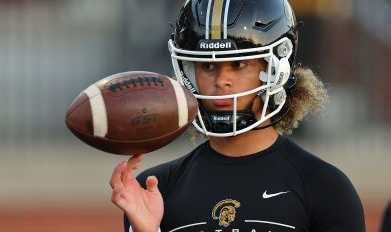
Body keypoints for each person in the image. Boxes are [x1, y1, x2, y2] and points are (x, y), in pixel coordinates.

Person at [109, 0, 366, 231]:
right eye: (207, 66)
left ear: (275, 70)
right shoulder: (156, 188)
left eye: (238, 64)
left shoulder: (326, 189)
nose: (222, 81)